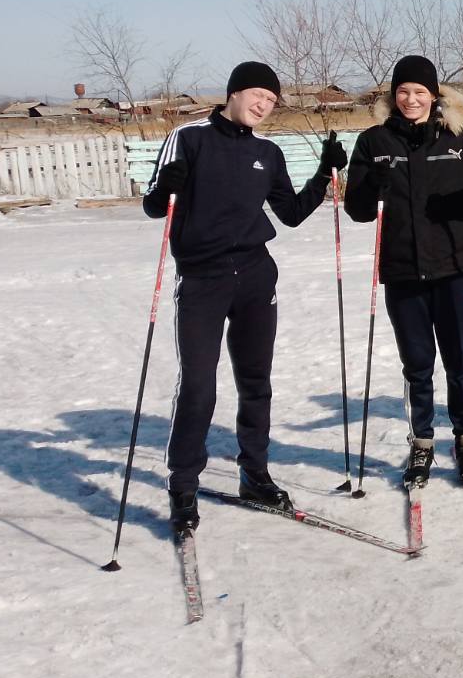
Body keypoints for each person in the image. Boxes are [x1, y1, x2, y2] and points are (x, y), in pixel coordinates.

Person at [143, 61, 345, 533]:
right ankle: (184, 484)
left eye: (272, 101)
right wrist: (167, 188)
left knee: (256, 381)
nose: (263, 105)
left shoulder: (268, 152)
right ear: (233, 92)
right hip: (203, 279)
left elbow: (291, 213)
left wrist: (324, 172)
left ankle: (254, 473)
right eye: (257, 94)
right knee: (198, 384)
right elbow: (156, 205)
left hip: (256, 276)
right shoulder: (189, 137)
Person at [344, 54, 463, 489]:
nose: (411, 99)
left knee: (459, 362)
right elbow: (357, 209)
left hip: (455, 267)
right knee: (417, 365)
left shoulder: (461, 138)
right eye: (403, 92)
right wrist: (368, 186)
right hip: (402, 271)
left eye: (419, 92)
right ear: (393, 97)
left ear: (435, 95)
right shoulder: (374, 142)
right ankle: (422, 442)